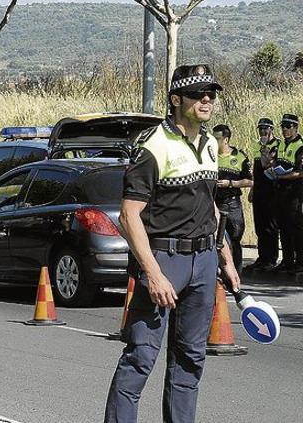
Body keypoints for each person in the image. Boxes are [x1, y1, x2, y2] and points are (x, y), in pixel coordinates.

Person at [104, 64, 240, 423]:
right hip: (163, 259)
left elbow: (207, 202)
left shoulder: (210, 144)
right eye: (198, 94)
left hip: (203, 260)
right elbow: (129, 216)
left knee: (190, 360)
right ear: (176, 99)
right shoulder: (153, 146)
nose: (207, 99)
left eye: (211, 93)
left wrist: (224, 255)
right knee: (140, 358)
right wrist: (154, 274)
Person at [212, 124, 252, 272]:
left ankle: (236, 273)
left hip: (232, 203)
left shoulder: (239, 156)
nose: (214, 141)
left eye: (217, 138)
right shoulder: (209, 155)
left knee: (234, 238)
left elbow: (250, 180)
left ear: (226, 140)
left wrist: (231, 183)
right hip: (213, 203)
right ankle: (217, 272)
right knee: (215, 239)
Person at [267, 113, 303, 273]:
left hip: (294, 192)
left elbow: (300, 172)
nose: (285, 130)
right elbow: (271, 162)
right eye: (283, 126)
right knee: (283, 227)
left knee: (296, 228)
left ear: (296, 127)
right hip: (280, 191)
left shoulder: (300, 146)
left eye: (288, 126)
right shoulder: (280, 145)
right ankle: (287, 260)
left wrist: (282, 175)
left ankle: (300, 262)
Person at [245, 118, 281, 272]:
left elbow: (267, 164)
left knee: (270, 226)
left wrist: (265, 147)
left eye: (266, 129)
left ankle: (271, 259)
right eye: (260, 129)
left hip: (271, 190)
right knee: (260, 226)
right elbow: (256, 168)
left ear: (271, 129)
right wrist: (252, 189)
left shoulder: (277, 145)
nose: (263, 132)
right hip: (259, 188)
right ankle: (262, 257)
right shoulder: (257, 145)